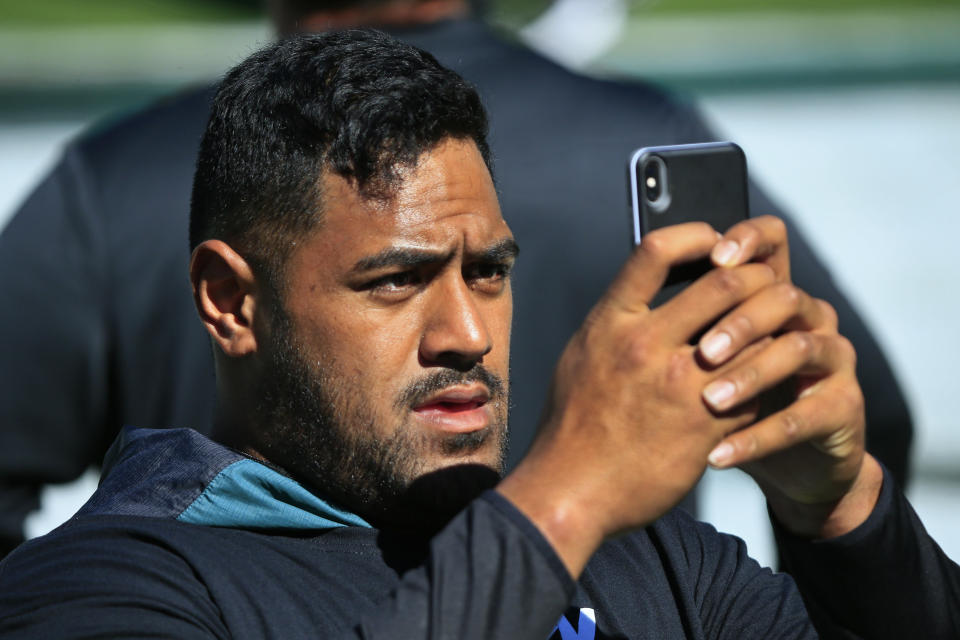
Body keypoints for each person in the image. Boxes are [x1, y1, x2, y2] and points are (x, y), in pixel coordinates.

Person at [0, 31, 955, 639]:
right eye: (396, 280)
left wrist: (846, 520)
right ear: (230, 302)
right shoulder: (106, 589)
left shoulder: (663, 566)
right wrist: (567, 502)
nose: (467, 333)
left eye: (489, 273)